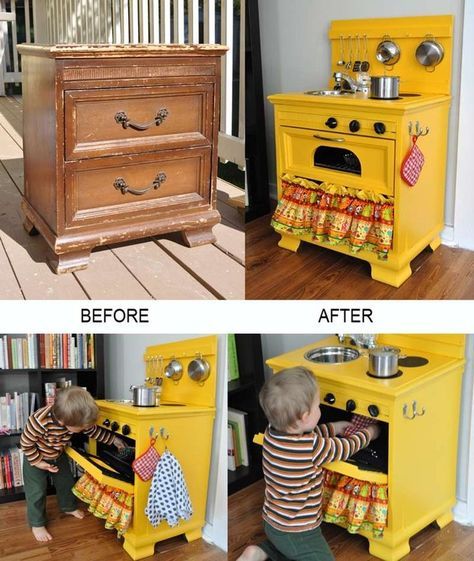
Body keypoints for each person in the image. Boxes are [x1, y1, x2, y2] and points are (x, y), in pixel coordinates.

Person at [237, 367, 381, 561]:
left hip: (272, 521)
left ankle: (260, 552)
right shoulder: (312, 448)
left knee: (287, 547)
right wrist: (370, 433)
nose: (320, 409)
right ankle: (269, 551)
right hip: (299, 530)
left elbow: (307, 436)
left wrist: (334, 427)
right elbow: (346, 447)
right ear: (305, 416)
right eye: (318, 405)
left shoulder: (272, 433)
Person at [20, 386, 126, 542]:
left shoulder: (74, 419)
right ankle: (37, 523)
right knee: (36, 491)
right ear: (64, 421)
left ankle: (68, 507)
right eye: (81, 428)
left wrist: (114, 440)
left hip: (58, 454)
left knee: (66, 482)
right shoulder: (39, 420)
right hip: (35, 458)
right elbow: (26, 444)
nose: (85, 429)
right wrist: (38, 462)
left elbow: (94, 431)